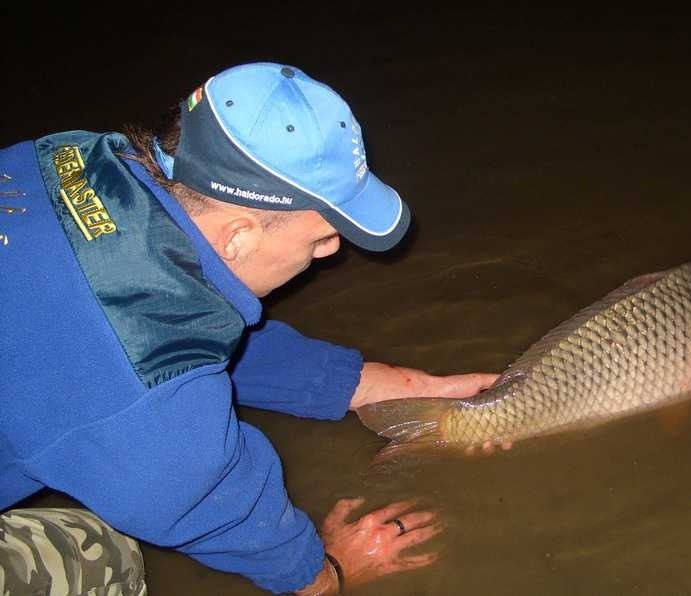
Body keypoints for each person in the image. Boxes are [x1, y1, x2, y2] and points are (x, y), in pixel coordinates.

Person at [0, 62, 500, 595]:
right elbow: (207, 498)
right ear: (236, 237)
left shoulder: (69, 157)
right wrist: (325, 573)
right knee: (97, 554)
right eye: (321, 239)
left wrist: (393, 386)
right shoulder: (151, 405)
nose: (332, 251)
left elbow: (167, 332)